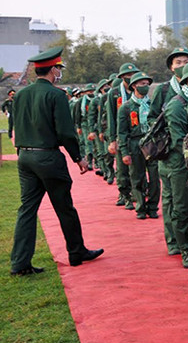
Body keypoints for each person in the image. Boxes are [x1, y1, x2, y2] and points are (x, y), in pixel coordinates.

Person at [10, 46, 103, 276]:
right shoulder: (56, 95)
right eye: (58, 68)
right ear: (53, 70)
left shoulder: (20, 94)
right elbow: (65, 132)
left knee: (27, 210)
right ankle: (76, 251)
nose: (59, 72)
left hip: (25, 156)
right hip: (47, 156)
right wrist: (78, 158)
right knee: (64, 207)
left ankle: (20, 263)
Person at [151, 47, 188, 259]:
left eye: (187, 61)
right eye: (178, 62)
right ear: (171, 67)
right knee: (172, 200)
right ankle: (174, 241)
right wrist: (168, 135)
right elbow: (151, 120)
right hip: (170, 155)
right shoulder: (162, 91)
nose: (183, 65)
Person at [117, 72, 160, 220]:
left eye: (147, 84)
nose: (145, 87)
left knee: (155, 177)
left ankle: (153, 206)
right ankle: (140, 207)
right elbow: (122, 132)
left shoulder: (153, 104)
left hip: (152, 143)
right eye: (142, 84)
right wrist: (124, 152)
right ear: (134, 85)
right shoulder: (126, 107)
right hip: (135, 144)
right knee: (137, 176)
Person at [107, 63, 141, 210]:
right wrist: (112, 140)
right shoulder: (114, 93)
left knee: (137, 169)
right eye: (127, 76)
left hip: (136, 135)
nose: (130, 78)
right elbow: (111, 116)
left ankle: (137, 194)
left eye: (133, 75)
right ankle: (125, 195)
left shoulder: (139, 91)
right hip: (121, 135)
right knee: (122, 169)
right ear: (121, 78)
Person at [87, 80, 110, 181]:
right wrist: (91, 130)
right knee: (101, 152)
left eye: (108, 85)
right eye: (105, 86)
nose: (107, 87)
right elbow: (91, 116)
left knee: (108, 153)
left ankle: (110, 171)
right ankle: (105, 171)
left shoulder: (111, 97)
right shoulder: (95, 101)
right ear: (101, 88)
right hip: (98, 129)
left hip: (109, 129)